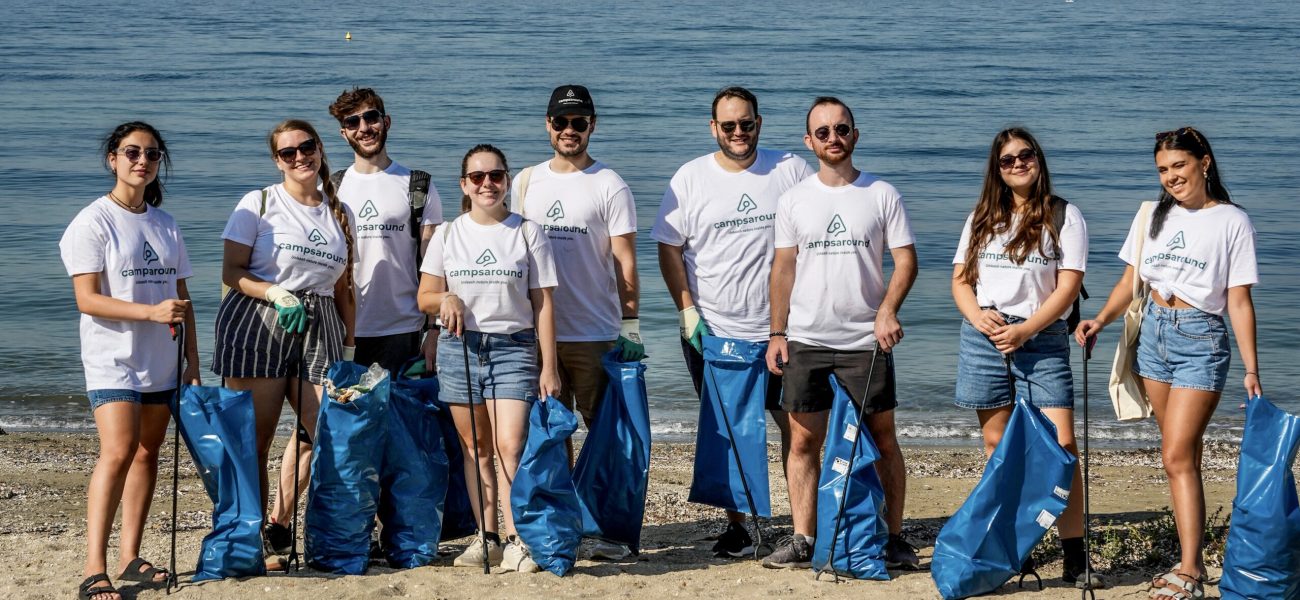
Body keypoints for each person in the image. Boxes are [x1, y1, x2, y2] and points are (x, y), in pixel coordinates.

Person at [1076, 126, 1259, 600]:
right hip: (1153, 336)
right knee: (1183, 455)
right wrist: (1099, 319)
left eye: (1179, 165)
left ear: (1204, 162)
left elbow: (1238, 300)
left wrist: (1251, 366)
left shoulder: (1231, 221)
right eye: (1163, 169)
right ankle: (1188, 556)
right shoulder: (1152, 216)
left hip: (1201, 338)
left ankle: (1191, 571)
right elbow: (1130, 282)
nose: (1171, 177)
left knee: (1176, 454)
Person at [263, 87, 445, 556]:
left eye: (371, 118)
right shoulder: (331, 188)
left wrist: (433, 333)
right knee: (315, 430)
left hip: (400, 329)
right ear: (342, 133)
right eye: (353, 123)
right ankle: (278, 522)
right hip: (335, 331)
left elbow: (434, 266)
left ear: (387, 121)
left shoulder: (419, 186)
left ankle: (387, 532)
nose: (364, 128)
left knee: (392, 439)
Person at [652, 86, 812, 557]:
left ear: (759, 123)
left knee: (795, 427)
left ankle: (803, 525)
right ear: (713, 128)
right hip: (715, 330)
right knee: (730, 430)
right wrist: (686, 310)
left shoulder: (791, 170)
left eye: (746, 123)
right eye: (729, 126)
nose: (738, 133)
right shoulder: (690, 178)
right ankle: (740, 525)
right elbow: (668, 245)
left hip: (783, 330)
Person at [763, 97, 919, 570]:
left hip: (864, 342)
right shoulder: (794, 199)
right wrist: (777, 332)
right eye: (823, 132)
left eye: (842, 129)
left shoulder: (881, 193)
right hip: (807, 339)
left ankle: (892, 537)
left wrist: (887, 311)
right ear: (809, 141)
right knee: (803, 440)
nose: (834, 138)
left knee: (883, 438)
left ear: (855, 134)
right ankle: (803, 538)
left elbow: (906, 261)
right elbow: (783, 268)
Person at [950, 128, 1103, 588]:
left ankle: (1075, 555)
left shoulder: (1064, 214)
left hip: (1040, 341)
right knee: (999, 450)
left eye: (1025, 155)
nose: (1017, 164)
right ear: (996, 169)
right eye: (1007, 160)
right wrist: (979, 318)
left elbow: (1068, 286)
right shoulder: (983, 215)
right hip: (985, 340)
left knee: (1062, 449)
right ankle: (1011, 548)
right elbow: (960, 281)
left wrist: (1027, 330)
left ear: (1038, 159)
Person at [61, 122, 199, 600]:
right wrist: (148, 312)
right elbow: (87, 299)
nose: (142, 161)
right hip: (112, 358)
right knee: (118, 452)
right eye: (132, 152)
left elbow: (182, 298)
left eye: (152, 154)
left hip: (162, 358)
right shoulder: (92, 221)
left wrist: (193, 360)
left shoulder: (165, 222)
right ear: (113, 159)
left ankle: (130, 558)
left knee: (146, 454)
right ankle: (93, 567)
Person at [213, 119, 356, 570]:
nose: (300, 158)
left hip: (321, 325)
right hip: (260, 319)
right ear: (277, 160)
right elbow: (231, 271)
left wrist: (349, 349)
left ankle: (315, 532)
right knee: (254, 440)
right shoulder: (258, 203)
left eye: (306, 147)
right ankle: (249, 540)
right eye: (288, 152)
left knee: (325, 433)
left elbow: (344, 289)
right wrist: (274, 292)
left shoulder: (340, 211)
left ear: (319, 148)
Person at [418, 144, 561, 574]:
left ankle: (521, 539)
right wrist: (447, 298)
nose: (487, 184)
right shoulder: (447, 234)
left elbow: (544, 304)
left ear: (507, 180)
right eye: (477, 177)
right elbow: (424, 296)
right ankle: (488, 538)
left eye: (495, 176)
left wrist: (548, 365)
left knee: (510, 447)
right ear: (464, 184)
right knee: (474, 449)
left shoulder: (527, 231)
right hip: (460, 348)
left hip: (514, 348)